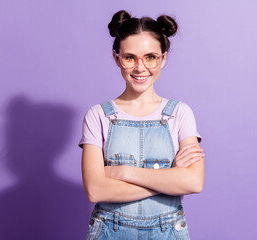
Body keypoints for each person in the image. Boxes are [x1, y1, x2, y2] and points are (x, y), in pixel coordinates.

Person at [79, 10, 205, 240]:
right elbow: (95, 190)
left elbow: (194, 182)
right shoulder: (98, 115)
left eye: (150, 57)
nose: (140, 67)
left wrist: (123, 172)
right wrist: (170, 178)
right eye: (130, 57)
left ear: (163, 58)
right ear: (117, 58)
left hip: (167, 232)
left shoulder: (180, 113)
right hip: (110, 231)